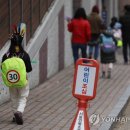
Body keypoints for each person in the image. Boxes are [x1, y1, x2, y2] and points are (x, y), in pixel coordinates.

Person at [1, 25, 32, 125]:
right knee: (23, 97)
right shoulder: (24, 54)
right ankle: (19, 111)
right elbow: (29, 69)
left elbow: (2, 68)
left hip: (11, 81)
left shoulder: (6, 55)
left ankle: (15, 115)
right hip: (23, 80)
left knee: (14, 97)